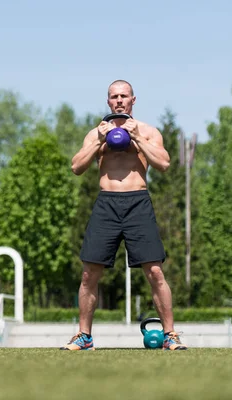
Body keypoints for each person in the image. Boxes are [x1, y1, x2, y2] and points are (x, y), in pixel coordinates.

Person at [60, 80, 187, 351]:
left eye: (124, 96)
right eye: (114, 96)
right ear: (108, 101)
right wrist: (98, 141)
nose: (119, 100)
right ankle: (84, 336)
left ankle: (170, 335)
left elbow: (164, 164)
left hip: (137, 203)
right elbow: (76, 167)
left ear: (133, 100)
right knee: (88, 274)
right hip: (106, 204)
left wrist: (137, 137)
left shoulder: (148, 131)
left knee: (154, 271)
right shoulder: (96, 133)